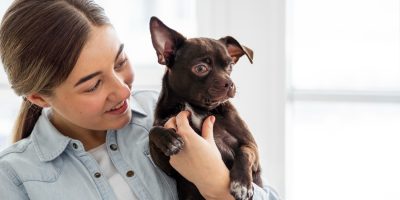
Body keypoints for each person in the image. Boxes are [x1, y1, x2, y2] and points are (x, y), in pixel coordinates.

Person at [0, 0, 280, 199]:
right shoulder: (13, 178)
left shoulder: (175, 112)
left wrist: (218, 187)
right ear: (39, 97)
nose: (123, 91)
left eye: (120, 62)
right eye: (94, 85)